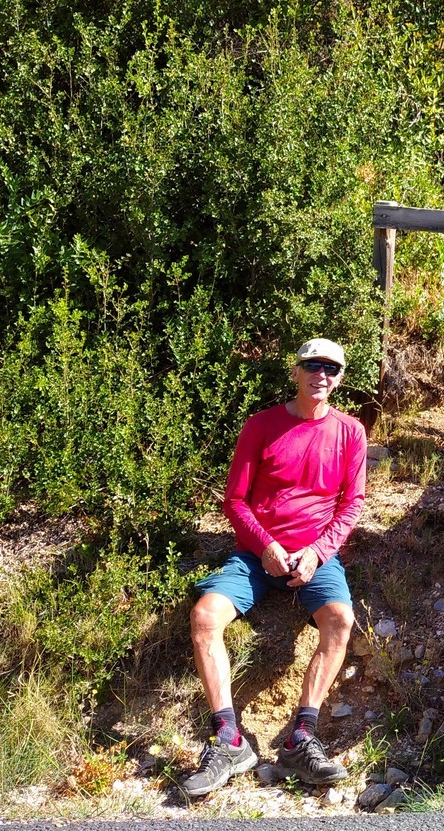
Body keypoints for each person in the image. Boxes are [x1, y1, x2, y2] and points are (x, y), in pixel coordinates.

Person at [181, 338, 367, 799]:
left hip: (314, 555)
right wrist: (265, 545)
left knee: (341, 620)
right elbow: (235, 500)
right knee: (205, 617)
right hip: (256, 556)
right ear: (295, 370)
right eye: (311, 365)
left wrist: (319, 552)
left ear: (340, 377)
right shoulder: (260, 425)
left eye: (330, 368)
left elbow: (352, 504)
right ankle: (228, 738)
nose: (320, 374)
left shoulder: (350, 432)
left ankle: (301, 737)